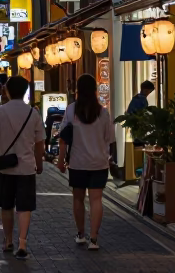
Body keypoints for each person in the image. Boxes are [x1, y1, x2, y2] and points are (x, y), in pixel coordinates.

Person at [0, 75, 45, 259]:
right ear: (26, 91)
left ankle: (8, 239)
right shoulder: (33, 113)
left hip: (4, 167)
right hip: (26, 167)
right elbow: (40, 143)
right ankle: (22, 242)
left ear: (7, 91)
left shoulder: (0, 112)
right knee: (24, 207)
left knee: (6, 206)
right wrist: (39, 163)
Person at [58, 74, 117, 251]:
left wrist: (61, 160)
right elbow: (110, 139)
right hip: (99, 162)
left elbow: (63, 138)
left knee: (78, 198)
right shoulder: (103, 112)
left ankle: (81, 234)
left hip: (78, 162)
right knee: (96, 199)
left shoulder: (71, 110)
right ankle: (94, 238)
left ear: (78, 90)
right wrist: (109, 157)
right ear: (94, 90)